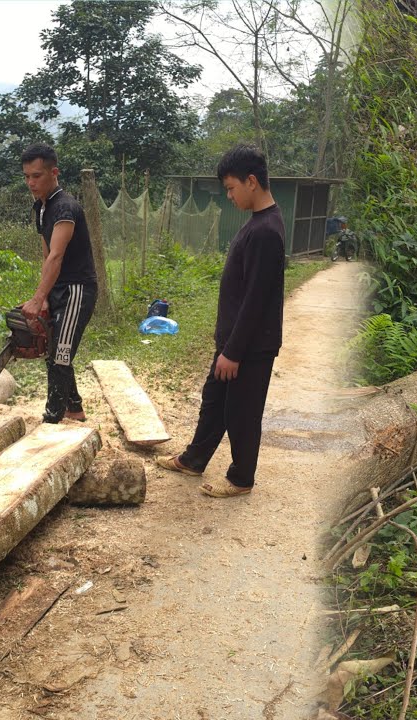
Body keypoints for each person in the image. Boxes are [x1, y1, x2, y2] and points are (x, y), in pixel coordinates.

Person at [156, 144, 285, 498]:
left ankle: (242, 478)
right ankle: (194, 459)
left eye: (231, 188)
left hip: (250, 346)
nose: (229, 195)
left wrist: (234, 352)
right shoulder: (258, 223)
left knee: (242, 411)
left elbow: (256, 300)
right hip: (233, 342)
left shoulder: (266, 231)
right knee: (214, 401)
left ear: (251, 181)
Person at [20, 143, 98, 424]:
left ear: (54, 173)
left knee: (59, 357)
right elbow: (46, 254)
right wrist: (43, 295)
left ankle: (51, 421)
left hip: (77, 289)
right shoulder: (42, 207)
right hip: (60, 288)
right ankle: (74, 409)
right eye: (27, 176)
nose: (31, 183)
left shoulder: (65, 207)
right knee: (55, 350)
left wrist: (38, 298)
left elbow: (56, 256)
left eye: (37, 176)